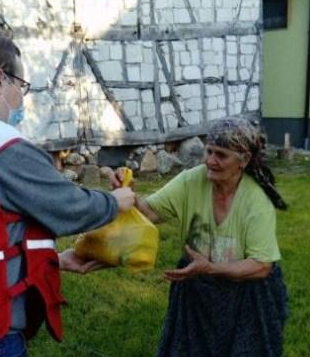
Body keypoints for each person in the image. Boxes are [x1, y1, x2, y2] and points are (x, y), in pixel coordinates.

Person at [0, 34, 134, 357]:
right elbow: (68, 207)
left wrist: (47, 261)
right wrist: (116, 203)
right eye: (21, 86)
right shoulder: (0, 145)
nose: (22, 99)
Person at [113, 116, 289, 357]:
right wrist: (128, 194)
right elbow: (149, 213)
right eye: (209, 151)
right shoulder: (191, 181)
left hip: (248, 294)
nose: (210, 161)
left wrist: (210, 268)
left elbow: (261, 266)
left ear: (244, 160)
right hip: (197, 288)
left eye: (221, 155)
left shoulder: (256, 201)